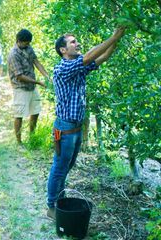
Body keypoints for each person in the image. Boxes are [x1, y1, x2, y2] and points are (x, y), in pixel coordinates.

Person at [46, 27, 126, 219]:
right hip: (64, 129)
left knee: (66, 167)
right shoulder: (63, 68)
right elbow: (90, 56)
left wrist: (117, 39)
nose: (77, 44)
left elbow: (102, 57)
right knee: (59, 168)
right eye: (73, 42)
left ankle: (59, 199)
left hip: (74, 129)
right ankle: (51, 207)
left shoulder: (77, 67)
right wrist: (112, 36)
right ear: (63, 50)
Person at [7, 29, 49, 144]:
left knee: (35, 112)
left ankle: (32, 137)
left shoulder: (28, 48)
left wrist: (46, 75)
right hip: (21, 88)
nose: (28, 45)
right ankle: (19, 142)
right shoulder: (13, 55)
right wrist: (37, 82)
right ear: (18, 41)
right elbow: (19, 76)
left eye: (29, 43)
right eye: (26, 43)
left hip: (32, 87)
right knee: (19, 114)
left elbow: (36, 61)